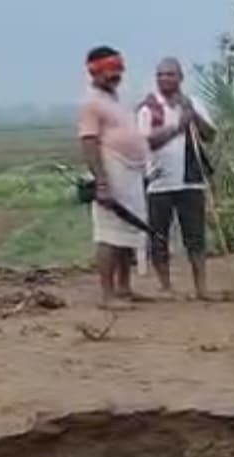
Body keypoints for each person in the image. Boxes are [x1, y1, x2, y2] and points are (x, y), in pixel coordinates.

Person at [137, 57, 217, 300]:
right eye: (160, 74)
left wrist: (193, 117)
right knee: (159, 236)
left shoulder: (193, 103)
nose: (164, 79)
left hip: (190, 179)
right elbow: (146, 141)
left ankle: (201, 287)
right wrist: (176, 128)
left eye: (170, 74)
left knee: (195, 236)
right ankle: (166, 287)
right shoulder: (148, 107)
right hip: (158, 181)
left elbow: (210, 135)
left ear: (180, 77)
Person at [78, 46, 151, 308]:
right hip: (111, 170)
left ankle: (124, 288)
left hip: (131, 173)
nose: (115, 76)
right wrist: (102, 182)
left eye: (118, 71)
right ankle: (107, 295)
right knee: (109, 234)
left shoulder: (116, 98)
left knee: (127, 232)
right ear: (94, 72)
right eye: (109, 71)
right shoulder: (91, 103)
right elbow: (89, 143)